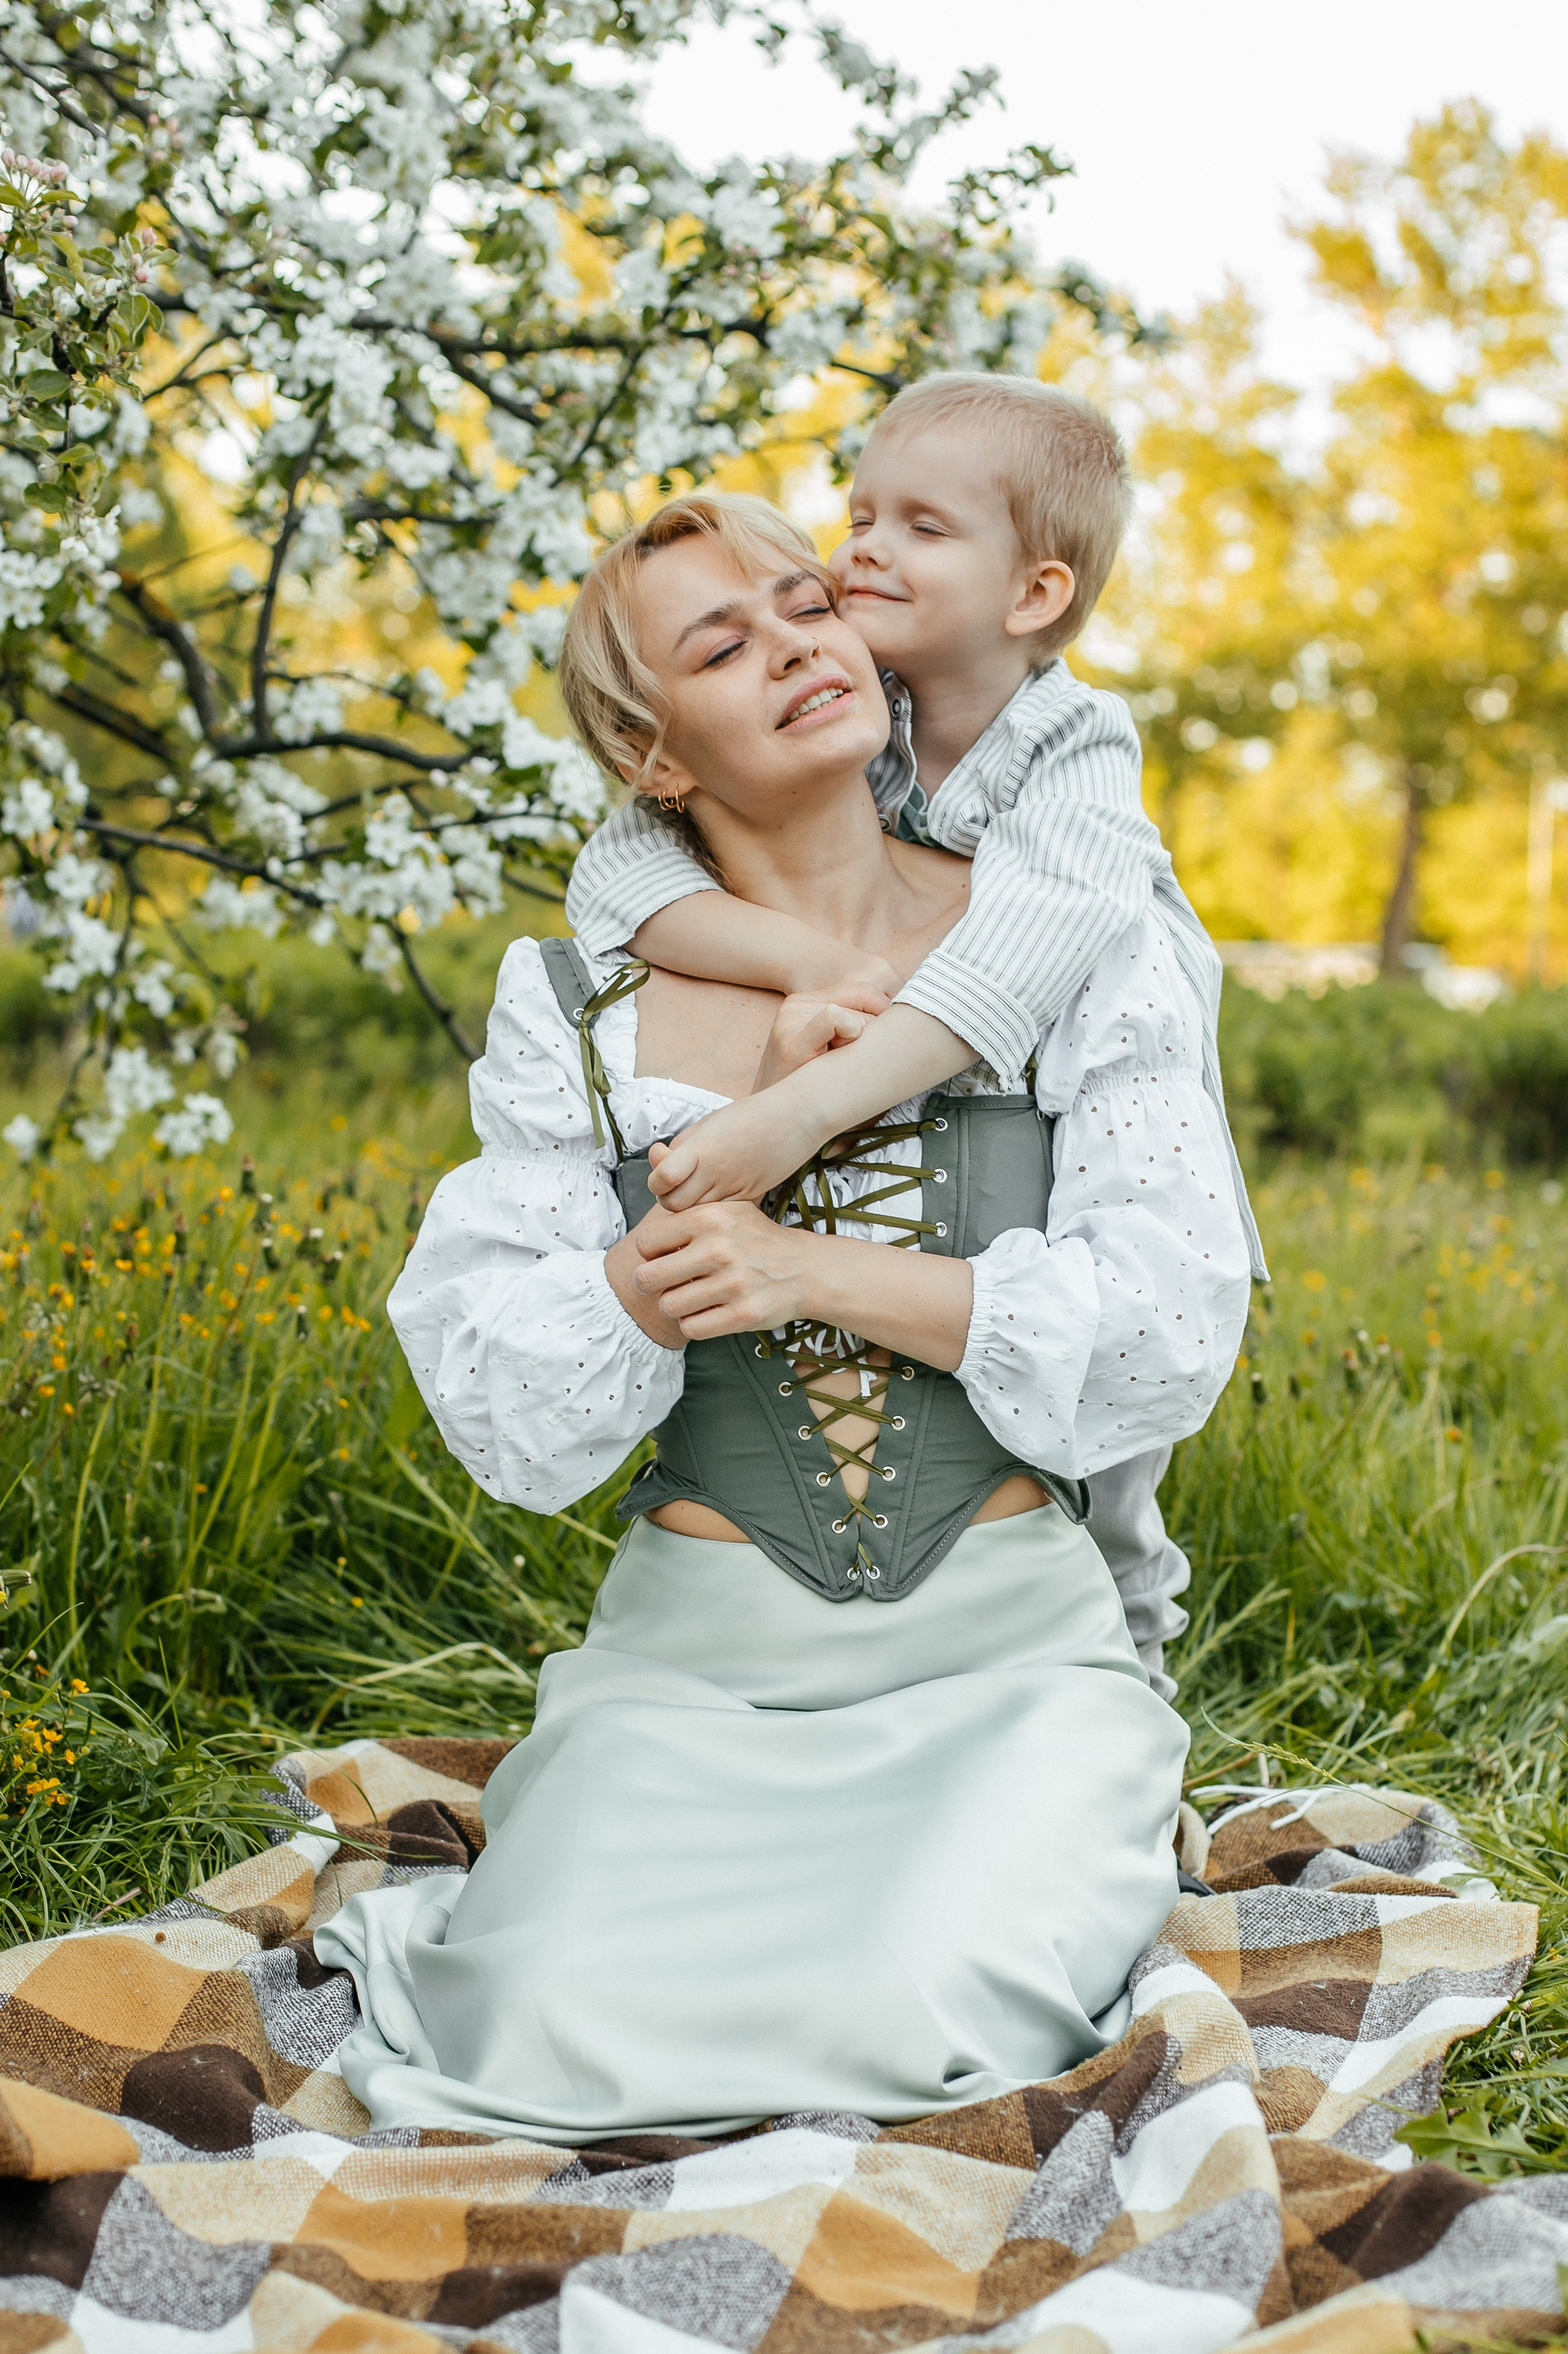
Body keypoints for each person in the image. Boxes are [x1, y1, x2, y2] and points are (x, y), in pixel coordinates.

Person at [312, 495, 1251, 2146]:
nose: (797, 645)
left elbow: (1166, 1320)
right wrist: (633, 1282)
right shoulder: (583, 1013)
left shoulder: (1066, 936)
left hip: (1005, 1664)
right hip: (688, 1672)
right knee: (540, 2029)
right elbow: (500, 1402)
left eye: (807, 602)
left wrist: (808, 1269)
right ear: (651, 752)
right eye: (719, 644)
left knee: (904, 2009)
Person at [566, 373, 1263, 1701]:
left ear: (1034, 597)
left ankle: (1126, 1665)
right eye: (859, 516)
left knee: (1108, 1462)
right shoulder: (867, 701)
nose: (864, 550)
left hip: (1101, 1078)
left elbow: (1004, 974)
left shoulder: (1073, 751)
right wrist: (809, 958)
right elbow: (619, 883)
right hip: (925, 1017)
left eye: (921, 528)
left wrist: (797, 1114)